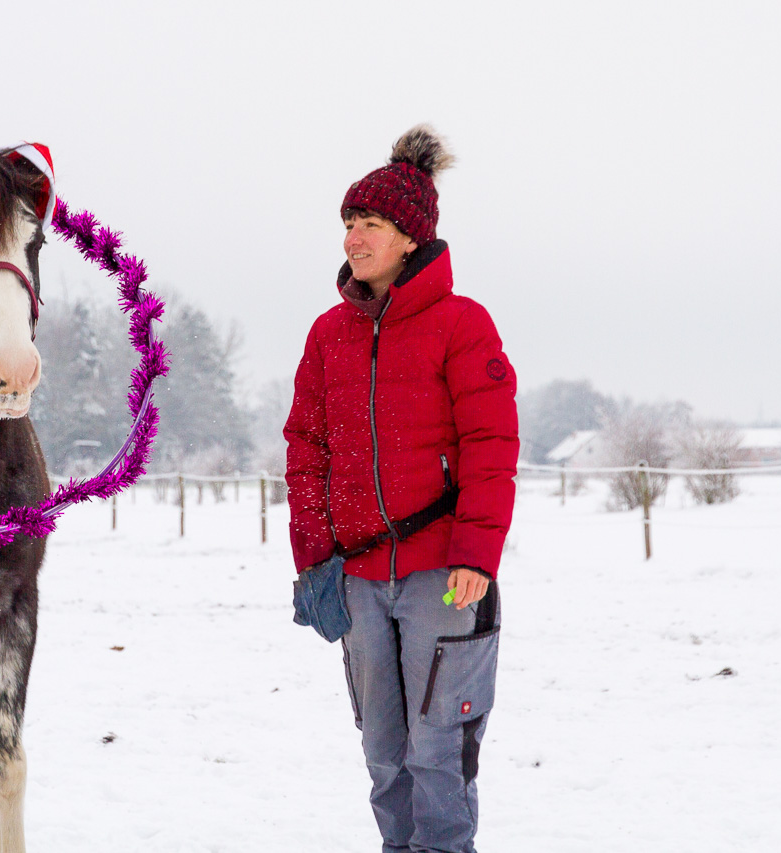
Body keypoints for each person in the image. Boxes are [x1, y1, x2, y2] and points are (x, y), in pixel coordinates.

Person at [283, 125, 518, 853]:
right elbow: (306, 449)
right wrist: (314, 557)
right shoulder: (329, 334)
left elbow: (491, 448)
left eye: (372, 224)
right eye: (350, 222)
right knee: (383, 751)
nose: (355, 236)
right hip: (355, 577)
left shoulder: (462, 324)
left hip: (445, 574)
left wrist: (477, 555)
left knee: (438, 750)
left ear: (410, 238)